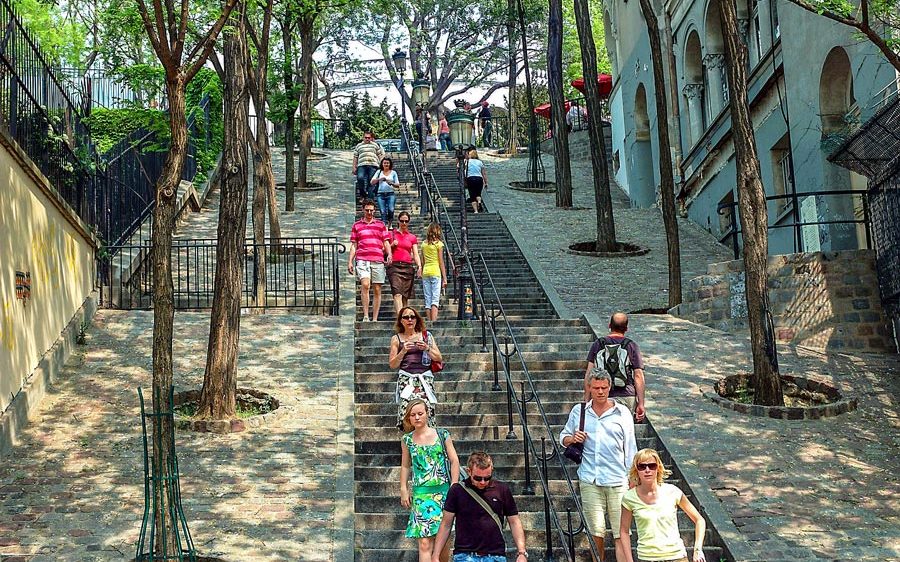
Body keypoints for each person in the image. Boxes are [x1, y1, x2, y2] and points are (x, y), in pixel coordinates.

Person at [560, 370, 637, 562]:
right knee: (596, 532)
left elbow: (631, 447)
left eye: (604, 388)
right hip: (590, 478)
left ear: (610, 387)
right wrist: (572, 438)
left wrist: (633, 478)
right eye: (596, 388)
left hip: (618, 480)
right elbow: (563, 438)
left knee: (621, 532)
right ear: (589, 388)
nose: (600, 392)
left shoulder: (623, 412)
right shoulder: (579, 411)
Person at [431, 451, 528, 562]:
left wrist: (521, 552)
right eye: (478, 478)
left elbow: (514, 521)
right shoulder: (457, 490)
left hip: (495, 555)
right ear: (469, 471)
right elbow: (446, 524)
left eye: (487, 478)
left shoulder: (502, 489)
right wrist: (435, 555)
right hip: (465, 555)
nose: (482, 482)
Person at [619, 449, 707, 562]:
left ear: (658, 468)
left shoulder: (673, 492)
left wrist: (698, 549)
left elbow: (699, 520)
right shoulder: (629, 498)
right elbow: (624, 531)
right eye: (642, 466)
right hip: (647, 558)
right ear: (636, 470)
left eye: (652, 466)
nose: (647, 470)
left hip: (677, 556)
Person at [400, 398, 459, 562]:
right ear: (409, 418)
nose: (417, 417)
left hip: (443, 493)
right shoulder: (407, 440)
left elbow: (454, 460)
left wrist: (454, 485)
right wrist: (404, 489)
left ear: (427, 414)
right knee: (424, 543)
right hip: (421, 496)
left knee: (444, 542)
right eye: (413, 415)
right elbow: (405, 466)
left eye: (420, 413)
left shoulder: (442, 435)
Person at [583, 312, 647, 422]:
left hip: (602, 394)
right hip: (626, 395)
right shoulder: (631, 346)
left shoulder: (598, 344)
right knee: (623, 430)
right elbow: (638, 375)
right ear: (626, 328)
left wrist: (587, 399)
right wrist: (641, 403)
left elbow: (589, 374)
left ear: (609, 325)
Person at [390, 307, 443, 429]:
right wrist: (403, 351)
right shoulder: (396, 339)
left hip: (424, 378)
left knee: (426, 411)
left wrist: (427, 348)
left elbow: (439, 358)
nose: (409, 320)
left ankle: (427, 442)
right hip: (407, 379)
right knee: (407, 413)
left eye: (412, 317)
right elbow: (393, 364)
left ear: (417, 319)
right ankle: (410, 443)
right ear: (401, 321)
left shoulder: (426, 336)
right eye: (406, 317)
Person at [348, 199, 392, 322]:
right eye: (367, 210)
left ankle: (375, 318)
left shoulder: (381, 225)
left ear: (374, 211)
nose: (369, 212)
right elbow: (354, 245)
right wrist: (350, 261)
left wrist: (389, 254)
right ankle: (366, 315)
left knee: (377, 288)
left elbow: (386, 242)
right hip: (362, 258)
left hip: (377, 259)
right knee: (365, 285)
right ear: (363, 210)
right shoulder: (357, 225)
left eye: (371, 210)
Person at [388, 211, 423, 314]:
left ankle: (405, 317)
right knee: (397, 293)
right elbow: (383, 249)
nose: (404, 223)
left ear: (409, 222)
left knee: (405, 296)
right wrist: (391, 245)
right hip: (394, 266)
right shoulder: (392, 234)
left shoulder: (412, 237)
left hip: (407, 266)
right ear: (398, 221)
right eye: (402, 221)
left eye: (406, 221)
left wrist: (419, 266)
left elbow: (416, 253)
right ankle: (400, 319)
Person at [421, 222, 447, 322]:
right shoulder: (439, 244)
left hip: (426, 272)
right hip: (435, 271)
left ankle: (428, 321)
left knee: (428, 298)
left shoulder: (423, 244)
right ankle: (434, 322)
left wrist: (422, 270)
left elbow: (422, 261)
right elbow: (441, 262)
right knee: (435, 299)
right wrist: (444, 278)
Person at [353, 131, 385, 200]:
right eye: (366, 137)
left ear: (371, 138)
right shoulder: (359, 145)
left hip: (373, 165)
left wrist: (382, 165)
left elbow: (380, 155)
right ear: (363, 138)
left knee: (371, 182)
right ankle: (363, 194)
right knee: (360, 178)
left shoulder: (375, 145)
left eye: (369, 138)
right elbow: (355, 157)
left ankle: (370, 199)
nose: (367, 139)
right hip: (361, 165)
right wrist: (354, 167)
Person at [372, 157, 400, 229]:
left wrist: (391, 183)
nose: (386, 164)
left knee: (391, 209)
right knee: (382, 211)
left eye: (387, 163)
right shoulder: (379, 172)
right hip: (380, 194)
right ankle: (384, 225)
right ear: (382, 164)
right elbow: (372, 182)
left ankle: (390, 223)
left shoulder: (393, 172)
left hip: (390, 194)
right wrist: (379, 179)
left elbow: (397, 185)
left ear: (390, 164)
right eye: (384, 163)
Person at [464, 149, 488, 214]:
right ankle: (479, 202)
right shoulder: (480, 162)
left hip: (470, 179)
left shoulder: (467, 161)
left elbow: (462, 170)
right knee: (478, 193)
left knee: (472, 195)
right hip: (479, 179)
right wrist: (486, 182)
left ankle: (476, 211)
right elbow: (484, 173)